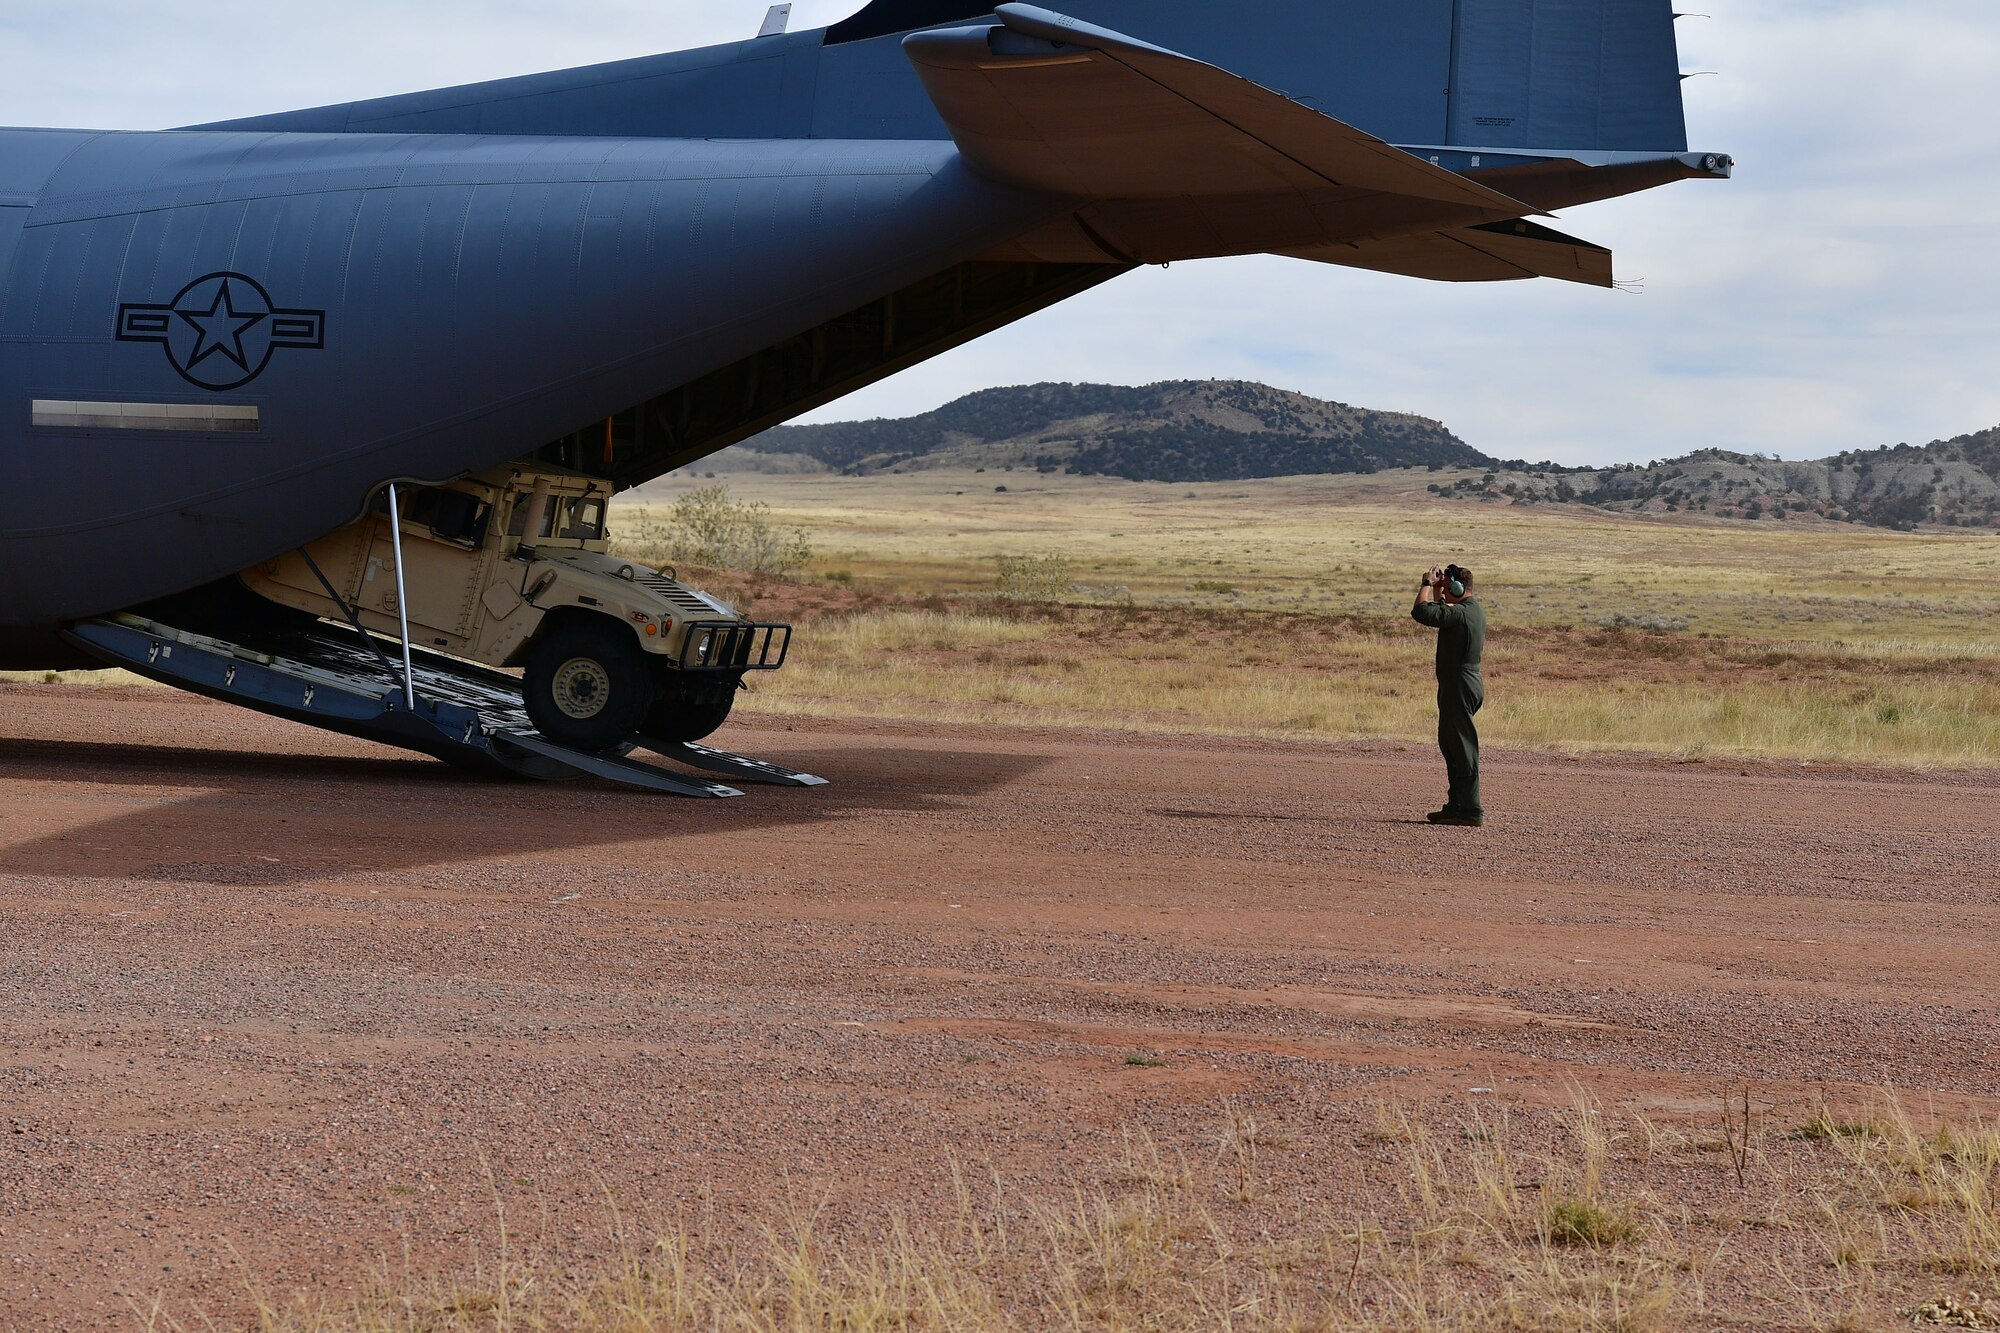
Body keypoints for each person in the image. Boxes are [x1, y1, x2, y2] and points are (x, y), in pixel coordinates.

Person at [1411, 563, 1485, 826]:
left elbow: (1421, 612)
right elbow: (1440, 610)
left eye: (1448, 586)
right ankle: (1456, 806)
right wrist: (1442, 593)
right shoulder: (1471, 610)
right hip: (1462, 682)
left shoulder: (1462, 613)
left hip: (1460, 684)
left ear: (1457, 587)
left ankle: (1471, 810)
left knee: (1463, 749)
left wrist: (1427, 585)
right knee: (1452, 744)